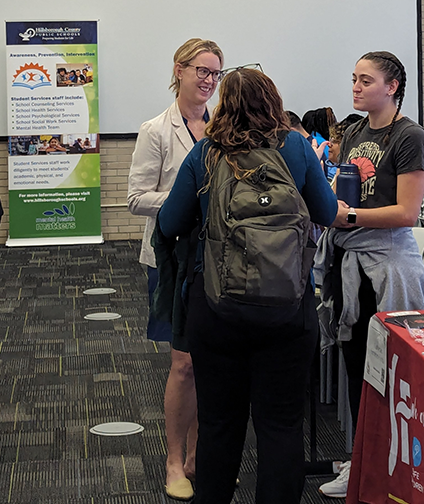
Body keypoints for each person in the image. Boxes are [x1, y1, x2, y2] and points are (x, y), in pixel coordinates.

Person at [157, 67, 337, 504]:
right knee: (280, 426)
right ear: (273, 101)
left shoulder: (206, 154)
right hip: (287, 307)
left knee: (220, 424)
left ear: (223, 106)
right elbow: (327, 213)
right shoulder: (296, 147)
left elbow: (169, 222)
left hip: (216, 307)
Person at [314, 50, 424, 499]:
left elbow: (406, 212)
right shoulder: (358, 130)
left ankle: (384, 467)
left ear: (393, 87)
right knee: (356, 366)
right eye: (354, 79)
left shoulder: (410, 137)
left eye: (366, 81)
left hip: (386, 266)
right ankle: (361, 459)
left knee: (385, 371)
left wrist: (349, 218)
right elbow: (347, 187)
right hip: (351, 260)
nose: (356, 87)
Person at [127, 38, 223, 501]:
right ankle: (173, 459)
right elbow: (135, 199)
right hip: (171, 261)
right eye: (201, 70)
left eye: (215, 74)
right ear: (179, 70)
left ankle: (200, 456)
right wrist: (188, 199)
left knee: (212, 361)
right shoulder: (155, 129)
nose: (208, 80)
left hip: (219, 260)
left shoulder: (224, 128)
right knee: (183, 364)